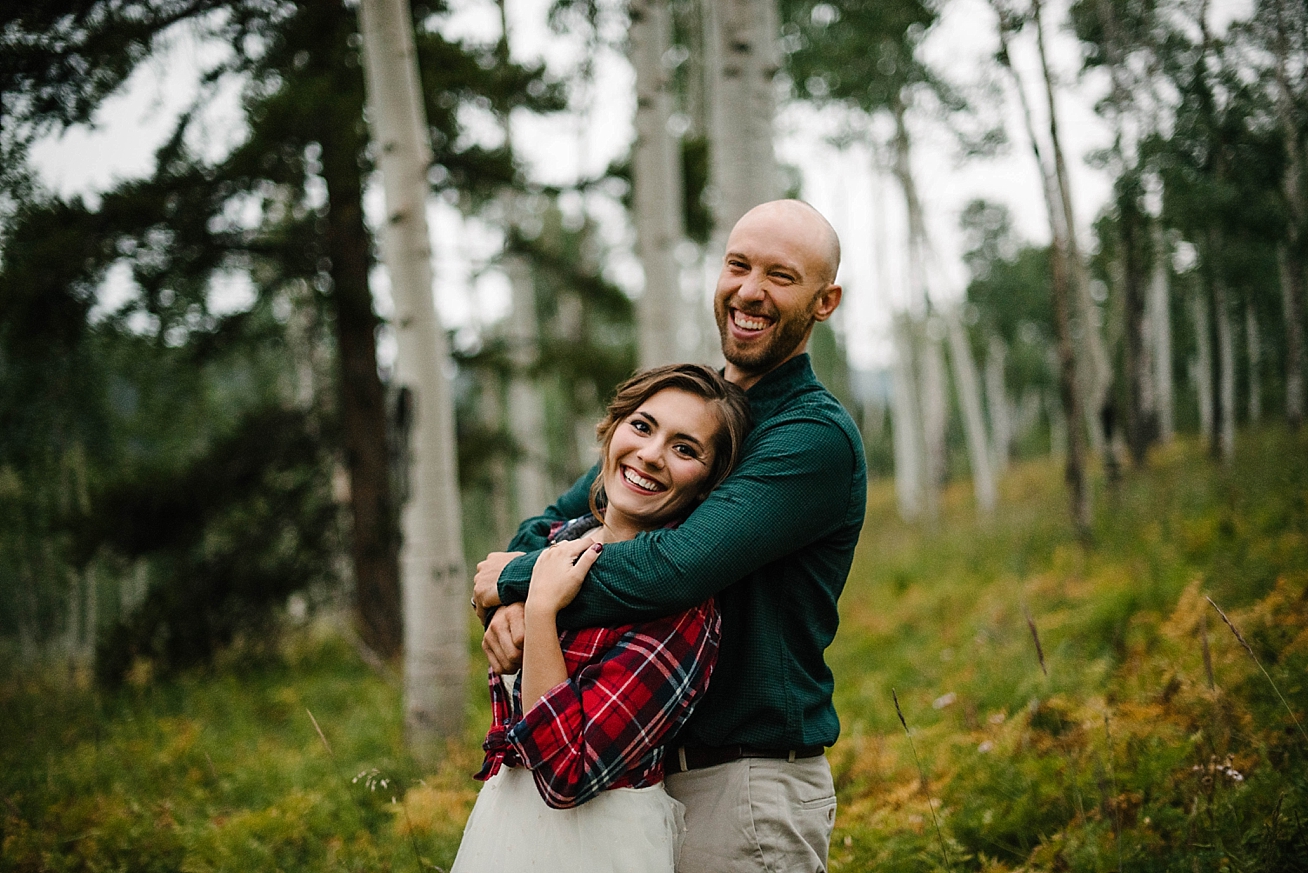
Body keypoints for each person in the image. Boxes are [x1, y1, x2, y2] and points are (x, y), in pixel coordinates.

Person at [474, 199, 867, 873]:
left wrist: (519, 582)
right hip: (637, 786)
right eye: (738, 265)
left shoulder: (811, 435)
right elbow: (553, 520)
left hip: (744, 786)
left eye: (780, 275)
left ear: (824, 301)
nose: (749, 290)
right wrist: (515, 600)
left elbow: (675, 568)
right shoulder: (696, 411)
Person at [452, 364, 753, 873]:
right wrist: (504, 606)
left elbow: (565, 772)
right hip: (506, 825)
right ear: (611, 430)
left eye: (685, 449)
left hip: (597, 846)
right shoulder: (557, 543)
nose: (651, 455)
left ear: (708, 486)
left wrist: (544, 611)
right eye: (641, 425)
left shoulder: (682, 608)